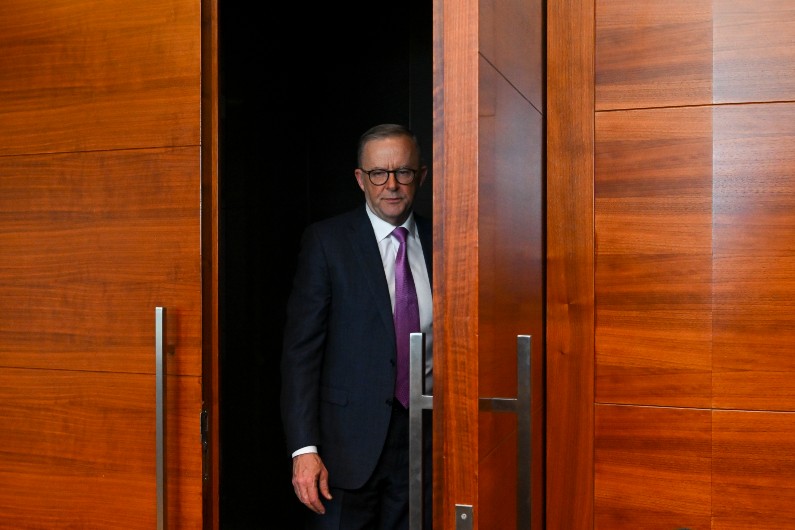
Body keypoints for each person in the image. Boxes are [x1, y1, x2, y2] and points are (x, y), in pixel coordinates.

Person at [280, 123, 433, 529]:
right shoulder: (327, 242)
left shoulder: (445, 242)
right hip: (344, 449)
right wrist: (304, 449)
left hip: (426, 443)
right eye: (378, 174)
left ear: (421, 175)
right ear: (360, 179)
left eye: (403, 172)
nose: (392, 185)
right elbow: (301, 355)